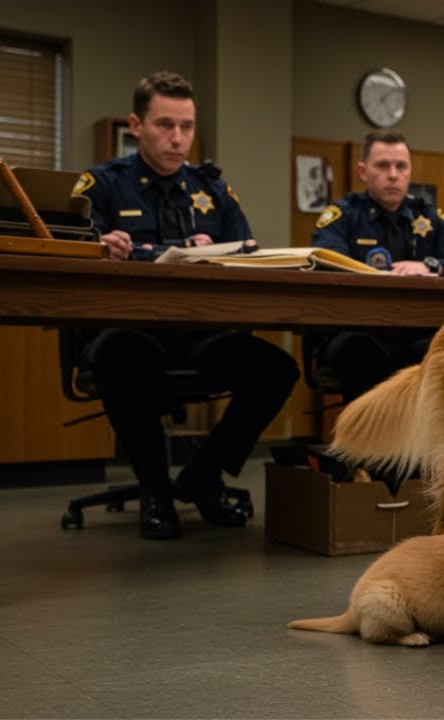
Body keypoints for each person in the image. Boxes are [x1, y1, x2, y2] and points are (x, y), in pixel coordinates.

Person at [75, 71, 300, 540]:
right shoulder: (102, 185)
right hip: (131, 329)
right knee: (122, 358)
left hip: (200, 334)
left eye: (187, 127)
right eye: (164, 125)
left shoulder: (213, 190)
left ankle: (205, 472)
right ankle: (154, 490)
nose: (178, 139)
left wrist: (219, 251)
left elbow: (250, 252)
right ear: (136, 125)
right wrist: (96, 245)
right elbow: (61, 243)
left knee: (277, 369)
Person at [311, 130, 444, 402]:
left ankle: (423, 444)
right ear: (363, 171)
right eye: (382, 165)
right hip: (358, 330)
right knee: (361, 352)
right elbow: (327, 262)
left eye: (401, 166)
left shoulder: (430, 218)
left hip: (415, 332)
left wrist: (429, 266)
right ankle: (365, 443)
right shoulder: (343, 216)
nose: (393, 174)